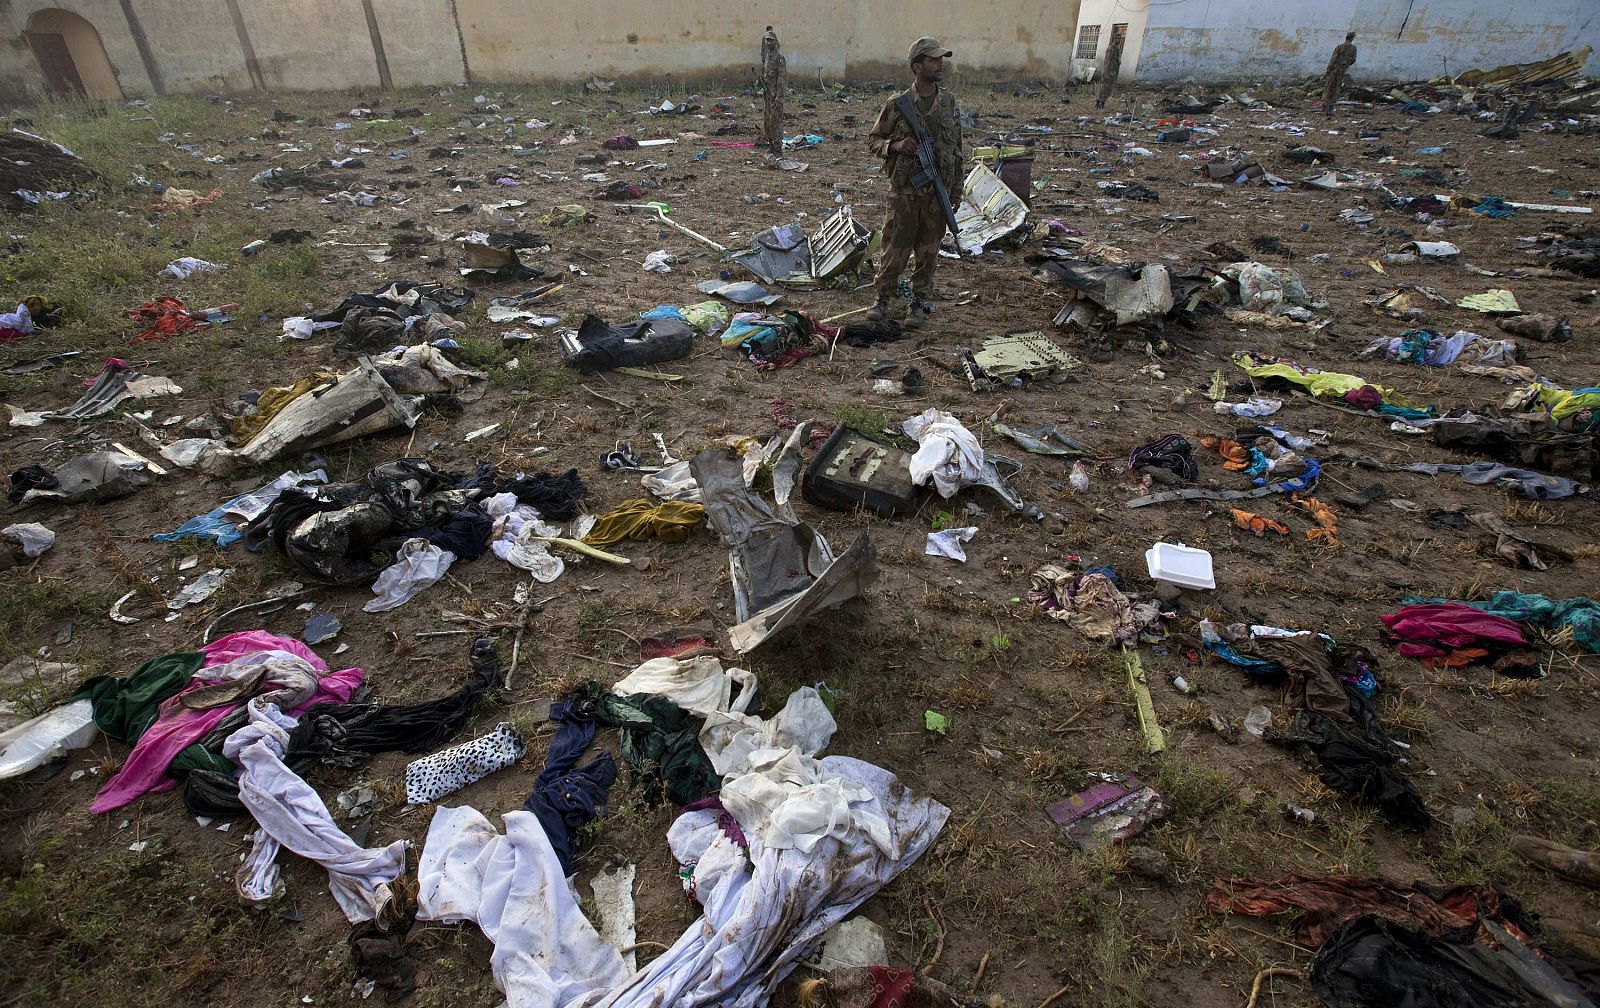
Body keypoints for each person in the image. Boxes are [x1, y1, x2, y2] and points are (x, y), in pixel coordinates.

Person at [866, 37, 964, 329]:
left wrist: (955, 191)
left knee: (929, 250)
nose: (940, 64)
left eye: (941, 59)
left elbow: (956, 149)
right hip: (904, 193)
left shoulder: (948, 102)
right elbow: (874, 139)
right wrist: (896, 146)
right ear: (917, 66)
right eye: (934, 60)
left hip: (936, 193)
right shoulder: (898, 104)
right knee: (894, 249)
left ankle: (919, 302)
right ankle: (882, 299)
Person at [760, 26, 786, 153]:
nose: (769, 43)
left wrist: (779, 98)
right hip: (767, 95)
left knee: (776, 121)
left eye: (771, 40)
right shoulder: (767, 57)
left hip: (775, 96)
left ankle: (777, 147)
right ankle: (771, 144)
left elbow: (781, 80)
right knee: (767, 121)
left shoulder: (779, 58)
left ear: (776, 41)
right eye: (767, 40)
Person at [1322, 32, 1357, 119]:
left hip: (1334, 70)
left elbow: (1333, 60)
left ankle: (1325, 105)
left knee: (1329, 87)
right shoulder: (1353, 48)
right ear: (1352, 38)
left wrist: (1327, 71)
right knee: (1337, 88)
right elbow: (1353, 60)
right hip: (1342, 71)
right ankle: (1331, 107)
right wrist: (1346, 64)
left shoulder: (1339, 47)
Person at [1095, 36, 1122, 109]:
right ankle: (1099, 102)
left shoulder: (1117, 49)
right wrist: (1106, 73)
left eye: (1120, 39)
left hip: (1113, 72)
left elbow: (1117, 60)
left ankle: (1103, 101)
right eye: (1118, 38)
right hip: (1108, 71)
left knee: (1109, 88)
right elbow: (1107, 61)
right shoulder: (1110, 49)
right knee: (1104, 87)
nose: (1119, 40)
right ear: (1114, 39)